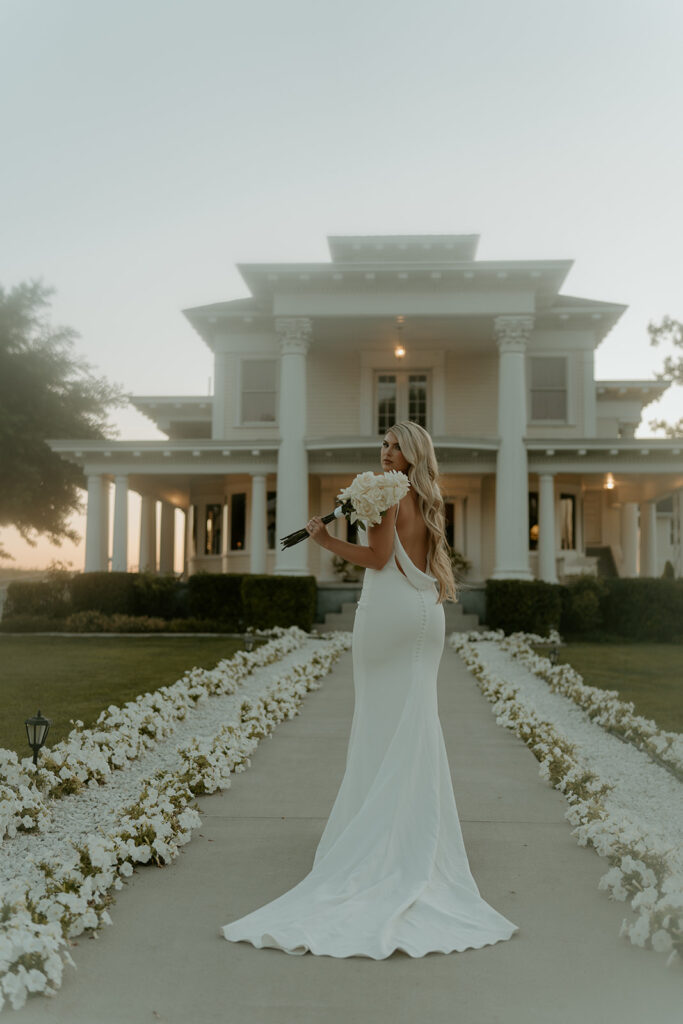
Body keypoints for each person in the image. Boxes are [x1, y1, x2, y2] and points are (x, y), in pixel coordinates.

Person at [221, 421, 519, 958]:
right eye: (383, 445)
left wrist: (326, 540)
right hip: (426, 614)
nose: (385, 453)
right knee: (416, 723)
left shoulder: (387, 493)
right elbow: (415, 560)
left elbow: (378, 559)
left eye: (395, 446)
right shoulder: (429, 498)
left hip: (387, 614)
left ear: (412, 454)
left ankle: (380, 839)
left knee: (381, 724)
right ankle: (412, 836)